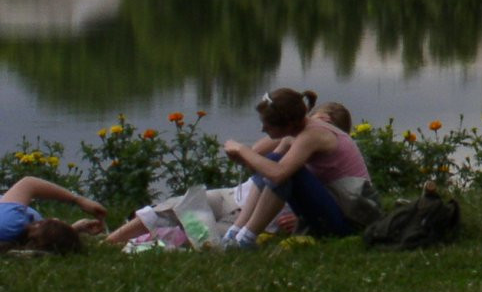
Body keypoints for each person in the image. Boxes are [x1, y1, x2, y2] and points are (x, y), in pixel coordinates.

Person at [105, 101, 356, 248]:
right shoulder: (297, 137)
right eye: (316, 119)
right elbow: (256, 156)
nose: (319, 126)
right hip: (234, 195)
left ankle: (146, 245)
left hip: (259, 213)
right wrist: (286, 135)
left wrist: (301, 223)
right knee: (173, 206)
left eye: (327, 124)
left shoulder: (329, 155)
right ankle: (108, 243)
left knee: (201, 233)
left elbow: (323, 201)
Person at [221, 88, 379, 248]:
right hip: (338, 210)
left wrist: (242, 150)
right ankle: (236, 231)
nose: (263, 130)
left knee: (280, 169)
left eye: (267, 126)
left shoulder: (312, 135)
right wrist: (248, 156)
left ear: (288, 124)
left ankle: (246, 238)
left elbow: (278, 174)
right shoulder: (300, 130)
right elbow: (266, 170)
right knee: (273, 163)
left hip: (350, 222)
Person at [0, 177, 107, 255]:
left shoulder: (10, 223)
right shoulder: (16, 233)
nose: (56, 218)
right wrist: (72, 230)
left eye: (56, 221)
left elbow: (28, 183)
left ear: (38, 227)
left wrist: (79, 200)